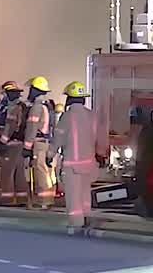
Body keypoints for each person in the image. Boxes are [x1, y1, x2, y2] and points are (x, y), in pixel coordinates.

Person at [50, 80, 103, 229]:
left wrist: (50, 154)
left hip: (72, 166)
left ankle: (75, 224)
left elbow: (58, 138)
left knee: (73, 198)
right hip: (89, 164)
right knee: (85, 195)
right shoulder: (92, 116)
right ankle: (87, 220)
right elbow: (99, 139)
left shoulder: (67, 116)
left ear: (70, 99)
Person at [22, 76, 56, 209]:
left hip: (39, 144)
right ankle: (48, 199)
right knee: (48, 172)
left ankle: (42, 201)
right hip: (47, 143)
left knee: (40, 171)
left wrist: (27, 147)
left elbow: (31, 128)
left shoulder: (36, 107)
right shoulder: (48, 106)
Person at [0, 81, 28, 205]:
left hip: (10, 145)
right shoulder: (22, 106)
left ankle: (7, 198)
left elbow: (10, 126)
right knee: (19, 173)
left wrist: (1, 142)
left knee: (7, 172)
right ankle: (22, 198)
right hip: (20, 144)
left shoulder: (13, 108)